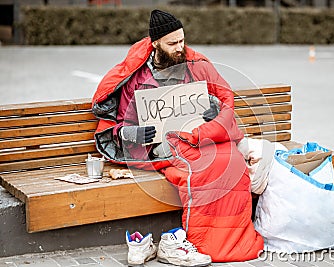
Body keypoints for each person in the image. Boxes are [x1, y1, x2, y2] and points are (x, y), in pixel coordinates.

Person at [92, 9, 263, 266]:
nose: (180, 47)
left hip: (199, 138)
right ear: (156, 44)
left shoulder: (195, 65)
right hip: (165, 148)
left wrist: (213, 110)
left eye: (182, 40)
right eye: (172, 43)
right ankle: (203, 242)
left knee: (232, 161)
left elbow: (224, 97)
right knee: (206, 168)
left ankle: (236, 242)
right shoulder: (137, 79)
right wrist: (131, 133)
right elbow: (120, 125)